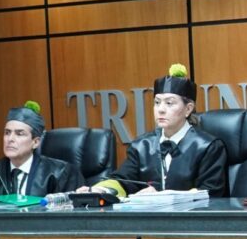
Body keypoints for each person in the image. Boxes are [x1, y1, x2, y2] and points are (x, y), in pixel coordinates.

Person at [84, 64, 228, 197]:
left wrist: (162, 197)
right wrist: (100, 190)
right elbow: (123, 180)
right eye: (157, 102)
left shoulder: (208, 146)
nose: (161, 109)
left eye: (169, 103)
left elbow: (211, 193)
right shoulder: (142, 145)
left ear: (188, 109)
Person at [0, 100, 84, 196]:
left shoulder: (60, 173)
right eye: (7, 133)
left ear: (35, 142)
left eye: (19, 134)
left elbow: (73, 204)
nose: (10, 139)